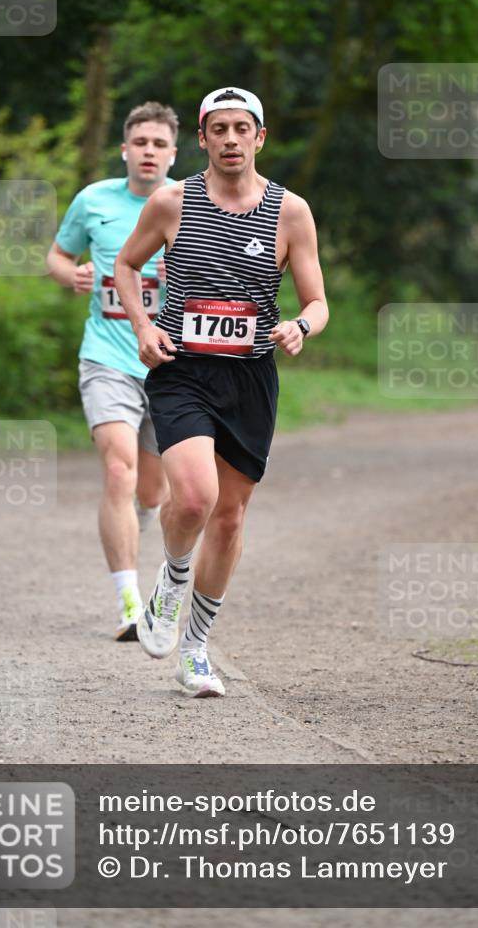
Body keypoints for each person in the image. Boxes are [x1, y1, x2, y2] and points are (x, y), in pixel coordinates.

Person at [114, 86, 328, 697]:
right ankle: (171, 578)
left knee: (230, 519)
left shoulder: (292, 212)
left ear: (261, 138)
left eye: (243, 129)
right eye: (219, 129)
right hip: (182, 369)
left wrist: (301, 325)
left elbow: (317, 300)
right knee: (192, 500)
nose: (231, 139)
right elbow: (126, 266)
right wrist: (143, 325)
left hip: (251, 377)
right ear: (202, 138)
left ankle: (195, 649)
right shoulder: (171, 201)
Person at [46, 102, 178, 640]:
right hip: (106, 358)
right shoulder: (93, 200)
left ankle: (138, 524)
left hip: (169, 365)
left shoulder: (189, 202)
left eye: (159, 144)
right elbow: (56, 255)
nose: (148, 151)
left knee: (152, 493)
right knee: (118, 471)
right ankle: (130, 604)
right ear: (125, 149)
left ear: (174, 153)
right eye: (140, 142)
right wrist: (69, 274)